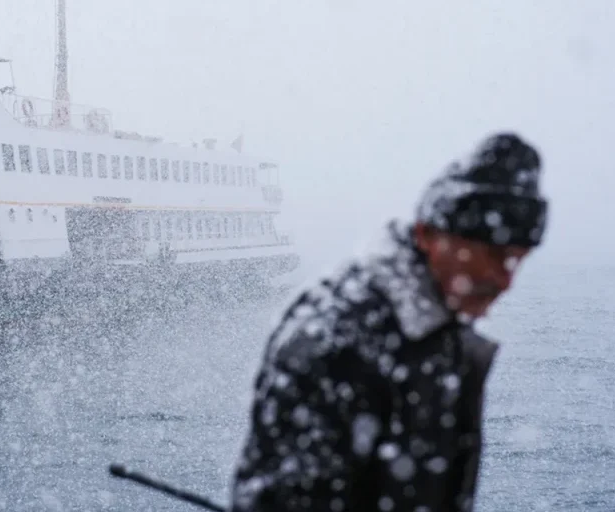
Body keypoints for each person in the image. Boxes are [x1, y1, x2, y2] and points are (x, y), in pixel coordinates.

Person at [228, 132, 549, 512]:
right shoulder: (336, 340)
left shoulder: (434, 325)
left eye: (517, 259)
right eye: (492, 255)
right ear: (428, 234)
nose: (506, 279)